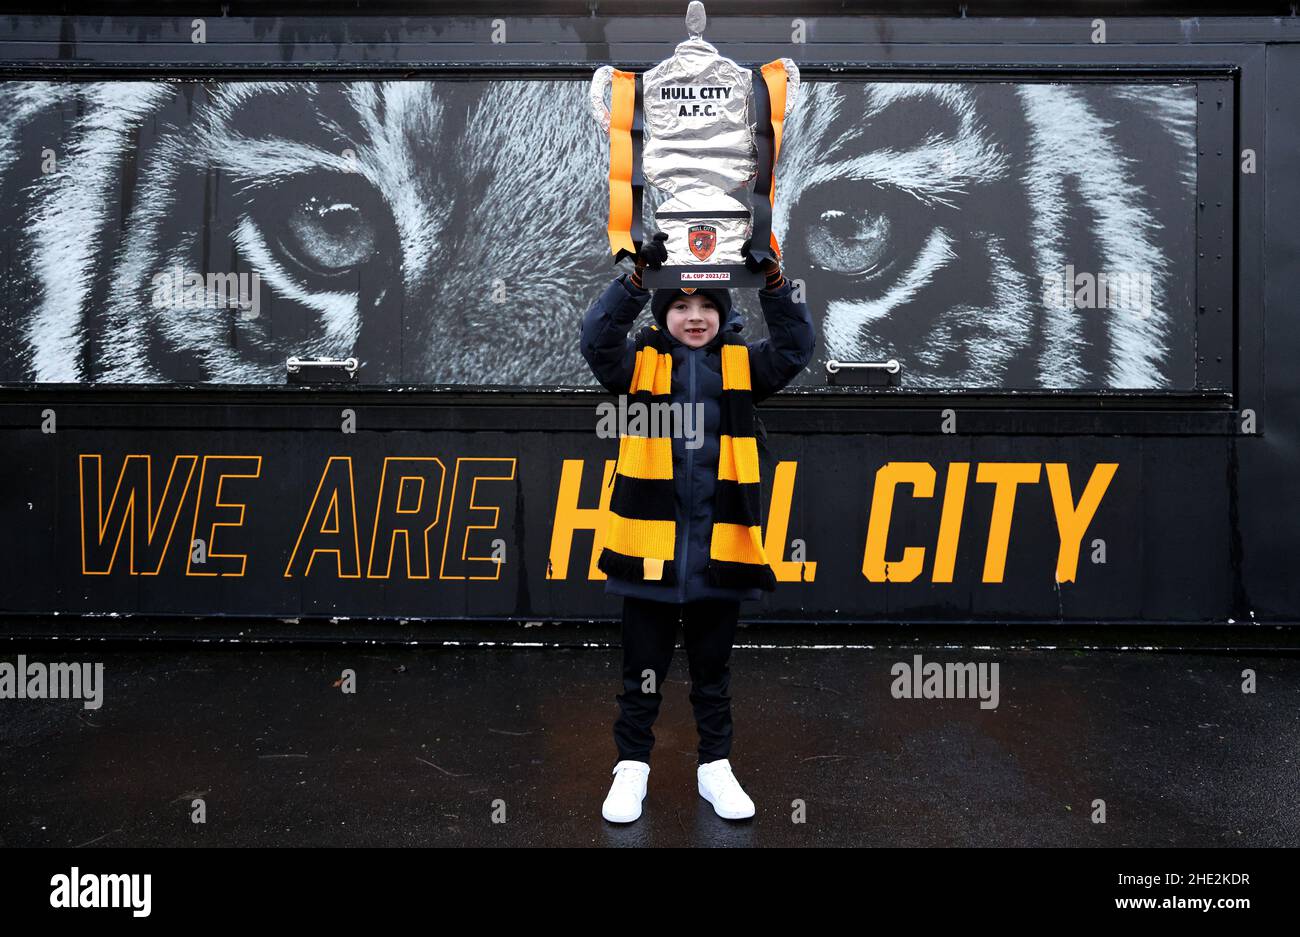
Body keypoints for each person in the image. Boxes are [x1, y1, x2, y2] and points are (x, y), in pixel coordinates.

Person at [579, 232, 816, 823]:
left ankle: (715, 768)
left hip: (720, 551)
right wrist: (634, 282)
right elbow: (596, 338)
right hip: (648, 553)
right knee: (641, 675)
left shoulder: (744, 366)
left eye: (708, 306)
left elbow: (794, 347)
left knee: (713, 675)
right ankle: (631, 769)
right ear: (665, 314)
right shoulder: (637, 366)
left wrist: (777, 286)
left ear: (722, 315)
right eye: (681, 305)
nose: (694, 316)